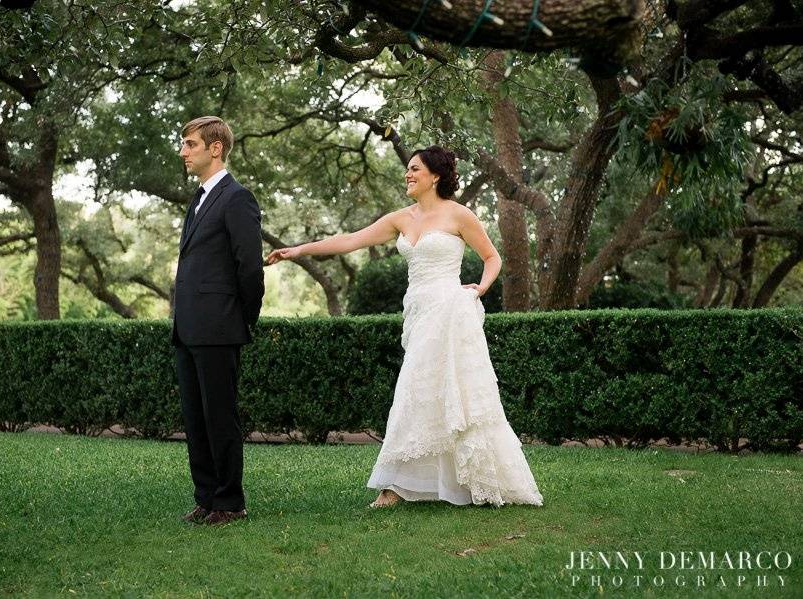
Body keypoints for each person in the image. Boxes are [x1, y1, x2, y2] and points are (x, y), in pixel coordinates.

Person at [267, 145, 543, 508]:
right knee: (427, 391)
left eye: (415, 169)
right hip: (418, 311)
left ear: (436, 176)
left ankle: (396, 487)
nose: (408, 175)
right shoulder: (401, 218)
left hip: (449, 310)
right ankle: (425, 483)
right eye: (407, 170)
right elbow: (351, 240)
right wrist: (298, 250)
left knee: (423, 389)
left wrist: (480, 288)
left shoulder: (460, 215)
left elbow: (492, 257)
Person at [173, 116, 264, 525]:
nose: (183, 151)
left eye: (190, 144)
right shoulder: (198, 199)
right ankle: (207, 497)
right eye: (183, 144)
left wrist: (242, 318)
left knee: (220, 417)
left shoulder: (237, 198)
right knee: (195, 418)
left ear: (215, 148)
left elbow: (250, 269)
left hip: (220, 327)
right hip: (189, 327)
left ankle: (230, 501)